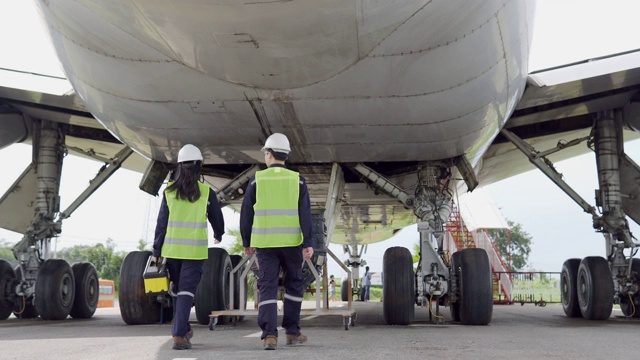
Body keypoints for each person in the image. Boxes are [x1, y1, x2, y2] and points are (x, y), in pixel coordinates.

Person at [240, 133, 314, 351]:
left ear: (269, 154)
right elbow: (305, 214)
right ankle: (292, 332)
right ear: (286, 156)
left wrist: (246, 241)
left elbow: (246, 214)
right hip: (292, 243)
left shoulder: (256, 180)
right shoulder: (297, 180)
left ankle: (269, 336)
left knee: (268, 287)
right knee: (293, 286)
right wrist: (308, 242)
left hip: (265, 244)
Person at [151, 144, 225, 350]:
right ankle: (178, 334)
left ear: (180, 167)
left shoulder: (169, 193)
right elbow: (216, 218)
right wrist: (219, 234)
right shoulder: (206, 192)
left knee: (178, 292)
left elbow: (161, 224)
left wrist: (156, 251)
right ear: (199, 166)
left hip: (172, 251)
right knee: (186, 292)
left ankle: (182, 329)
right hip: (194, 251)